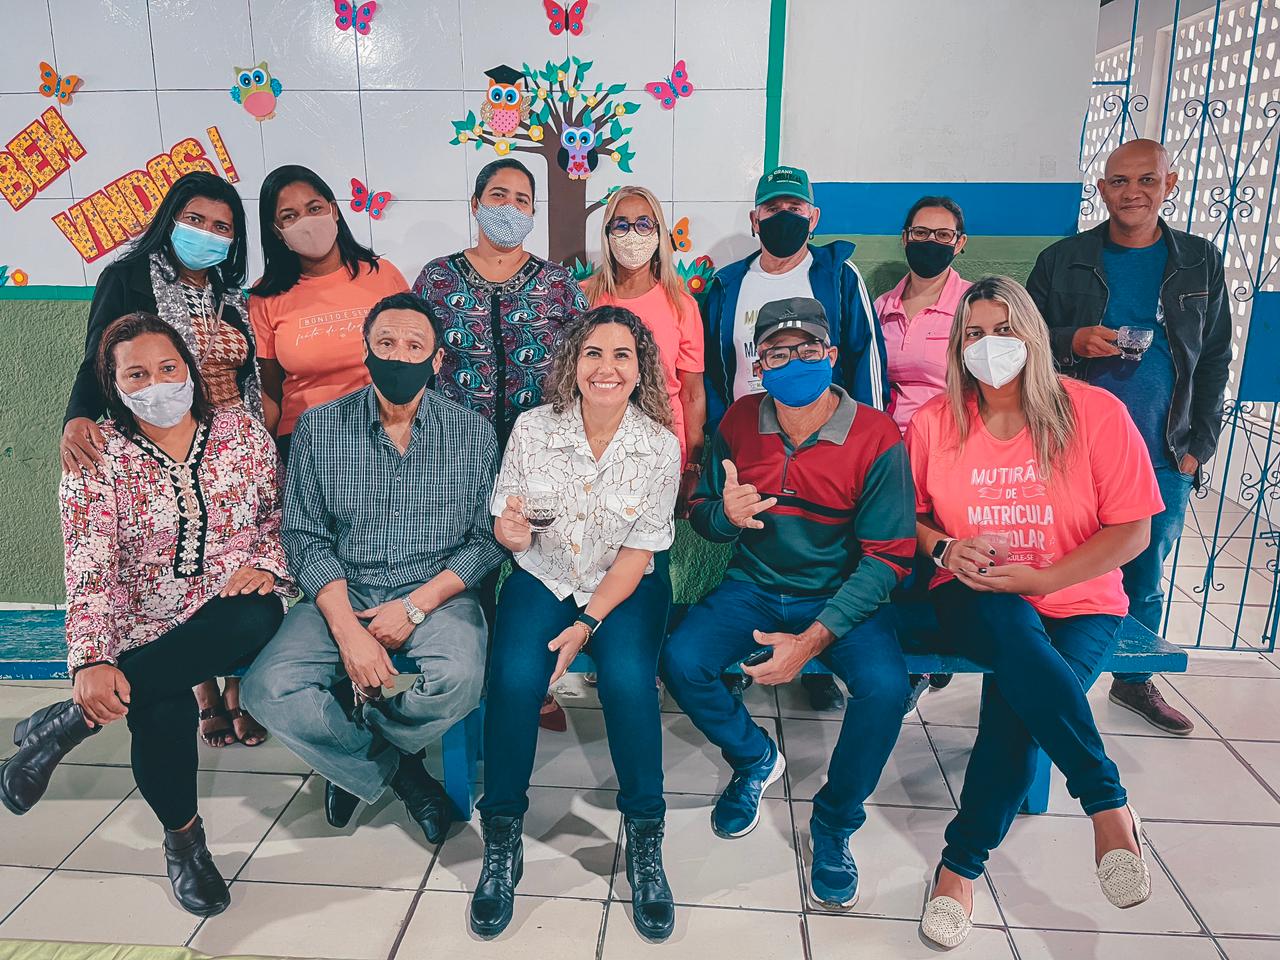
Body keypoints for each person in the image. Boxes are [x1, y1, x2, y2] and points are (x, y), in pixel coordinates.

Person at [2, 312, 288, 917]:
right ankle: (185, 843)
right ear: (114, 384)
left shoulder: (242, 431)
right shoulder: (95, 456)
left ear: (188, 368)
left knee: (254, 618)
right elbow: (89, 568)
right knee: (160, 712)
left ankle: (68, 725)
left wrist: (266, 564)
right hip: (142, 623)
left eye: (167, 367)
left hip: (228, 606)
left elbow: (276, 517)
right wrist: (94, 660)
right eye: (136, 374)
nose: (156, 382)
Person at [908, 277, 1160, 948]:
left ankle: (958, 869)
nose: (989, 346)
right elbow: (908, 519)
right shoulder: (937, 422)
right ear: (958, 347)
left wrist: (1047, 575)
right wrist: (946, 549)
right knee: (1014, 631)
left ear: (1033, 334)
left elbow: (1132, 531)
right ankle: (1107, 803)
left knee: (1016, 715)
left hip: (1080, 601)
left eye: (1004, 330)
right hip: (977, 595)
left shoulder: (1095, 413)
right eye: (973, 334)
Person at [660, 296, 916, 911]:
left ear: (831, 355)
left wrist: (812, 640)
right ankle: (754, 758)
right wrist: (725, 514)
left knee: (885, 687)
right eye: (778, 352)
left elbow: (889, 557)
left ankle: (834, 821)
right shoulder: (741, 422)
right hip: (752, 586)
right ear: (758, 363)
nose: (793, 362)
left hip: (839, 592)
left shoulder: (876, 434)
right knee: (682, 660)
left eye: (808, 350)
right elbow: (702, 517)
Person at [241, 293, 504, 846]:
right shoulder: (320, 429)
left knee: (459, 679)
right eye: (386, 344)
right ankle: (402, 770)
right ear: (366, 352)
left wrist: (414, 607)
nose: (399, 357)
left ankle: (359, 751)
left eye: (415, 347)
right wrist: (348, 634)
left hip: (438, 592)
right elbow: (304, 536)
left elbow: (487, 541)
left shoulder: (473, 432)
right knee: (266, 690)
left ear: (437, 361)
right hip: (344, 585)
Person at [470, 306, 681, 942]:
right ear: (573, 363)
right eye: (593, 353)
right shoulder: (534, 429)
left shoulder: (659, 446)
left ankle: (645, 836)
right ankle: (502, 835)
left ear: (640, 368)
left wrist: (587, 623)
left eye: (622, 355)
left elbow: (641, 554)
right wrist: (508, 531)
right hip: (544, 574)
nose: (607, 367)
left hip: (625, 585)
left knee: (625, 682)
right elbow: (508, 513)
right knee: (511, 680)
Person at [57, 170, 268, 750]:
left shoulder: (229, 293)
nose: (207, 233)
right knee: (182, 558)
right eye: (196, 220)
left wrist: (257, 432)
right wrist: (77, 416)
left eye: (222, 226)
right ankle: (205, 696)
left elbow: (248, 372)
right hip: (160, 433)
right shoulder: (127, 278)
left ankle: (236, 693)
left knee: (233, 557)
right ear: (171, 218)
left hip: (232, 439)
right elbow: (98, 357)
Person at [1027, 139, 1231, 737]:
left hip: (1165, 451)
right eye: (1119, 181)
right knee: (1059, 564)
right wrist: (1072, 340)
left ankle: (1134, 682)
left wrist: (1200, 446)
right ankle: (1046, 678)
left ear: (1170, 183)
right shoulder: (1063, 260)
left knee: (1143, 571)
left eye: (1146, 179)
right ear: (1103, 189)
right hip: (1072, 448)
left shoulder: (1199, 261)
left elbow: (1215, 357)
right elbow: (1025, 339)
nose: (1132, 192)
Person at [701, 165, 889, 713]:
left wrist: (865, 438)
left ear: (814, 216)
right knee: (750, 539)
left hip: (828, 438)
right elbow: (716, 369)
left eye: (795, 208)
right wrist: (720, 435)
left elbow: (865, 357)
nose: (784, 217)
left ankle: (818, 655)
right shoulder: (728, 283)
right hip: (750, 438)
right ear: (755, 218)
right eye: (773, 209)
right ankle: (743, 647)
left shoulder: (837, 275)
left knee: (826, 545)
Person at [412, 157, 588, 733]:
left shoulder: (558, 285)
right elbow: (419, 368)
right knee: (472, 565)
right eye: (497, 195)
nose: (508, 208)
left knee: (539, 569)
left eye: (521, 199)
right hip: (455, 457)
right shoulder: (436, 280)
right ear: (475, 204)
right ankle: (474, 687)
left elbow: (580, 370)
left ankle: (530, 684)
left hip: (540, 457)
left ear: (533, 212)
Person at [874, 196, 973, 704]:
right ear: (905, 237)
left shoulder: (972, 309)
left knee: (939, 552)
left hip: (952, 449)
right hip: (891, 453)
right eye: (920, 233)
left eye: (941, 235)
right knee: (895, 553)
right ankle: (900, 659)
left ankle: (931, 661)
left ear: (959, 243)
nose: (929, 244)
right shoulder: (881, 309)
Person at [250, 164, 409, 462]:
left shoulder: (383, 275)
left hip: (384, 432)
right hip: (306, 441)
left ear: (334, 210)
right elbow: (270, 388)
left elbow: (415, 356)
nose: (306, 222)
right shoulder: (265, 295)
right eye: (290, 216)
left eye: (314, 208)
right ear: (277, 230)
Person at [585, 185, 706, 484]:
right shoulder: (584, 298)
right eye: (622, 225)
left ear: (658, 233)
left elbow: (692, 393)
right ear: (608, 233)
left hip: (662, 452)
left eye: (643, 224)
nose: (632, 234)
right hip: (596, 449)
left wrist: (692, 466)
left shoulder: (682, 306)